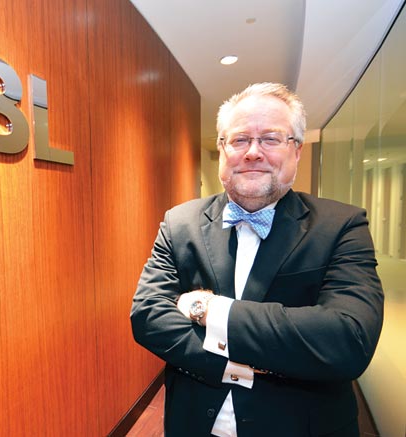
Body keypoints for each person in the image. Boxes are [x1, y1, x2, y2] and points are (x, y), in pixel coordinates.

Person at [130, 82, 384, 436]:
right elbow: (147, 316)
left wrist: (209, 310)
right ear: (222, 149)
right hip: (193, 423)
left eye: (270, 139)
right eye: (239, 139)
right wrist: (238, 367)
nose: (253, 152)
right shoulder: (179, 222)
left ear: (296, 150)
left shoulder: (342, 225)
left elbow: (348, 339)